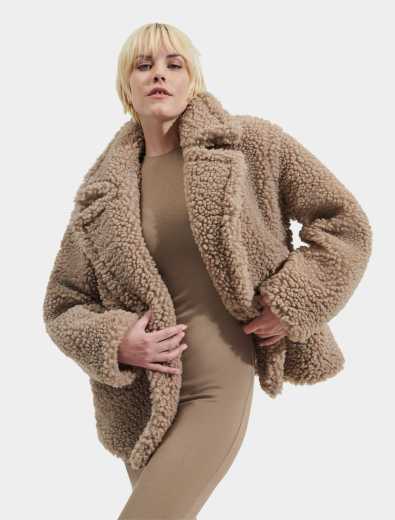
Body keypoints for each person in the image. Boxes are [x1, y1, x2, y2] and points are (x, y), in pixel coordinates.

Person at [42, 22, 372, 520]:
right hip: (143, 402)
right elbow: (63, 303)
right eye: (144, 65)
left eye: (174, 64)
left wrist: (293, 299)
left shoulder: (249, 145)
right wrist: (116, 341)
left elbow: (345, 223)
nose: (159, 74)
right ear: (126, 87)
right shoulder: (102, 193)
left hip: (218, 381)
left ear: (192, 79)